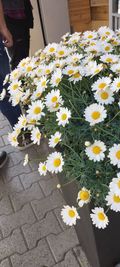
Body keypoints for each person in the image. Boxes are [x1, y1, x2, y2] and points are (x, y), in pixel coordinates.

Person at [0, 0, 32, 168]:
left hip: (16, 17)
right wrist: (4, 28)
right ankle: (23, 133)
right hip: (14, 18)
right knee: (4, 86)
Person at [2, 0, 33, 70]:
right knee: (18, 63)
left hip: (21, 15)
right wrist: (4, 28)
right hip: (10, 18)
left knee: (23, 61)